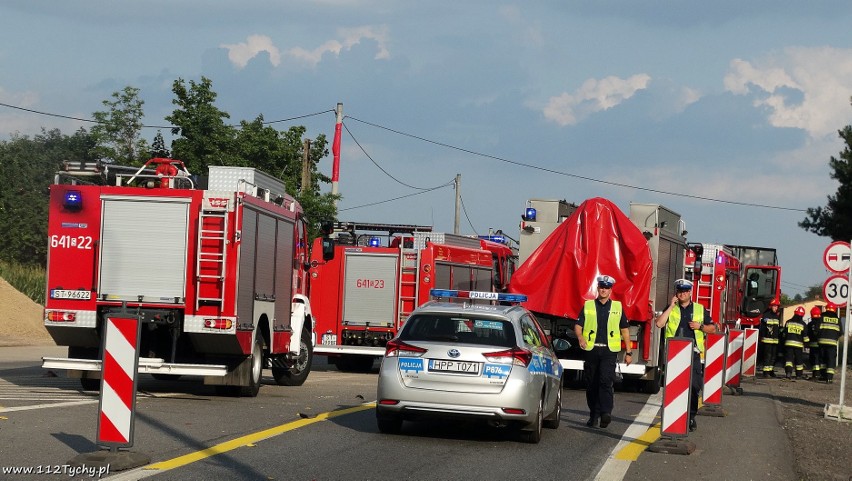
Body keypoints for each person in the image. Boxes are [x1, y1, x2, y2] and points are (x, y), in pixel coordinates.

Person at [655, 278, 715, 432]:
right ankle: (674, 417)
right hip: (674, 354)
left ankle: (691, 416)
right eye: (680, 291)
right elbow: (659, 324)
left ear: (690, 292)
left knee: (695, 386)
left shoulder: (700, 309)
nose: (682, 294)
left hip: (692, 353)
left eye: (685, 291)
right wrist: (670, 306)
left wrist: (700, 326)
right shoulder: (671, 308)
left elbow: (712, 329)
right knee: (674, 387)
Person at [574, 274, 632, 429]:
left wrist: (629, 352)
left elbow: (624, 330)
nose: (604, 290)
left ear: (610, 290)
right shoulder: (588, 306)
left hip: (608, 351)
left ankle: (606, 413)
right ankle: (594, 414)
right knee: (591, 384)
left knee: (605, 382)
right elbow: (578, 326)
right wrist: (580, 337)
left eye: (607, 288)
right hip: (591, 350)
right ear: (598, 288)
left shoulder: (617, 307)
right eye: (602, 287)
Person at [817, 303, 842, 383]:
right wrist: (834, 338)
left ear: (826, 309)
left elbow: (817, 330)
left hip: (822, 342)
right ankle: (829, 378)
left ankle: (823, 375)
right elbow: (840, 332)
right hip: (832, 343)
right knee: (831, 360)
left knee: (823, 359)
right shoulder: (837, 320)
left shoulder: (821, 317)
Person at [782, 306, 807, 381]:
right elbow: (805, 337)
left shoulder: (788, 322)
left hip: (788, 344)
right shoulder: (803, 324)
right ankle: (799, 375)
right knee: (799, 360)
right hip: (798, 346)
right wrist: (806, 344)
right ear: (802, 315)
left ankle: (788, 373)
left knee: (789, 360)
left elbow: (784, 334)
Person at [759, 299, 781, 377]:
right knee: (767, 356)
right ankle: (766, 372)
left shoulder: (777, 316)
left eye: (777, 307)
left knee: (774, 356)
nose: (775, 308)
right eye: (774, 306)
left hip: (775, 340)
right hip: (767, 340)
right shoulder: (766, 315)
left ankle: (771, 370)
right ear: (771, 306)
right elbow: (764, 325)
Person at [806, 306, 821, 381]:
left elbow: (807, 334)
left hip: (813, 345)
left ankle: (815, 375)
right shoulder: (822, 322)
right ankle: (821, 374)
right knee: (820, 359)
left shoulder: (810, 324)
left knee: (814, 360)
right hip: (821, 344)